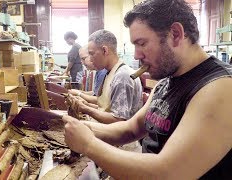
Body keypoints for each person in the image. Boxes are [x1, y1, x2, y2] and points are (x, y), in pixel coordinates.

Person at [63, 0, 232, 179]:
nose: (136, 55)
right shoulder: (166, 82)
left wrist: (88, 144)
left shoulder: (220, 87)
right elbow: (132, 129)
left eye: (141, 43)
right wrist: (81, 128)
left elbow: (167, 173)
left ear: (175, 34)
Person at [70, 30, 143, 124]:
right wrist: (86, 105)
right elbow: (105, 108)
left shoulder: (122, 76)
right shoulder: (110, 72)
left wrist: (85, 109)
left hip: (119, 137)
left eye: (92, 54)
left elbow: (118, 120)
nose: (91, 59)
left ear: (105, 50)